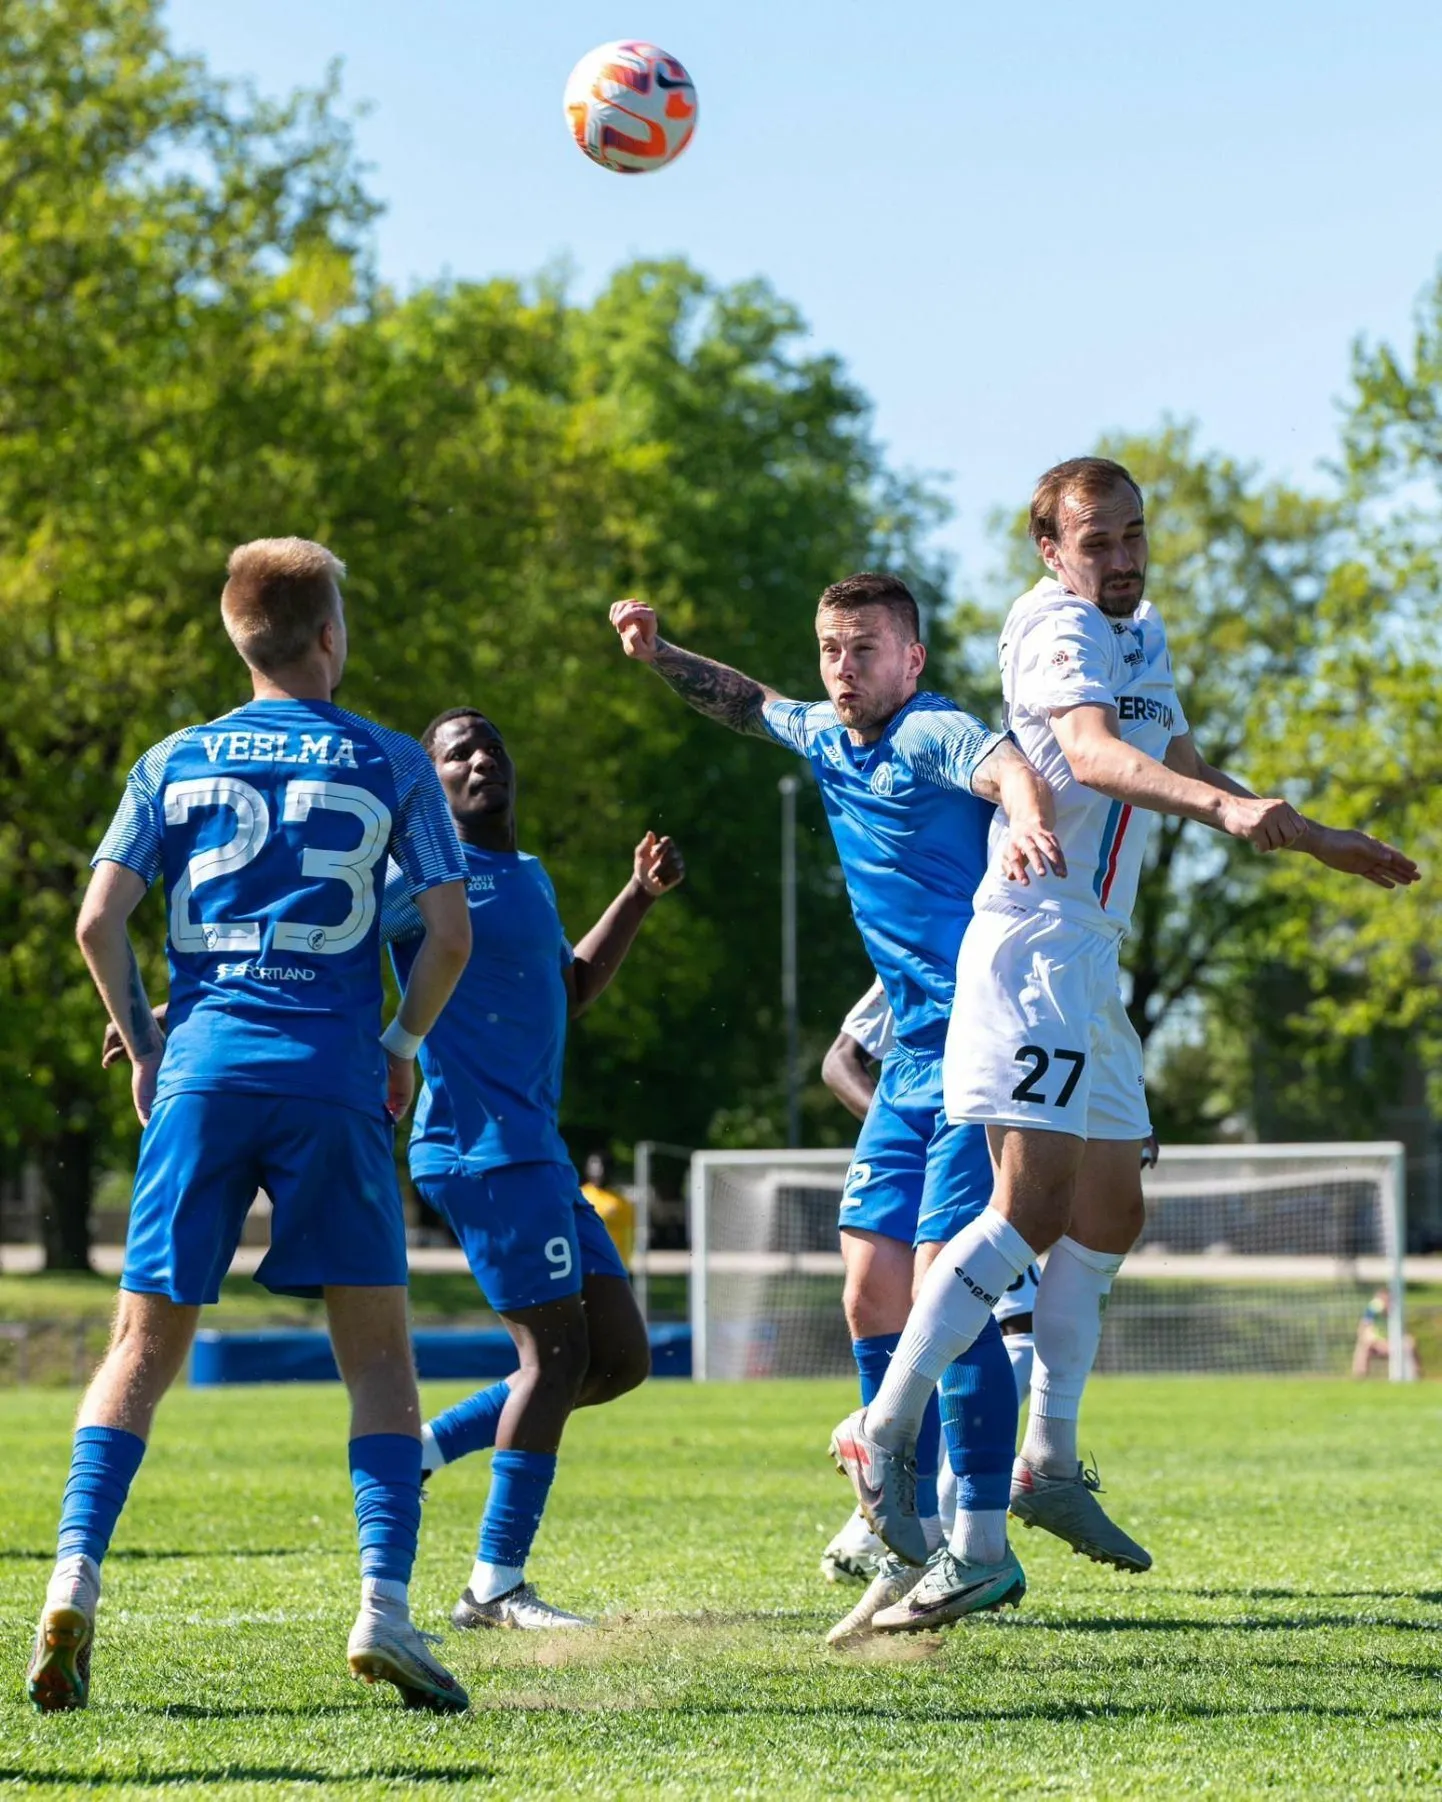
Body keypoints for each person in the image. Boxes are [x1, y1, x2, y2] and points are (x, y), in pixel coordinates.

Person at [832, 457, 1421, 1629]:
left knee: (1108, 1214)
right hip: (1033, 939)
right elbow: (1094, 753)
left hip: (1089, 957)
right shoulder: (1051, 624)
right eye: (1096, 540)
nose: (1121, 557)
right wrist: (1221, 814)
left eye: (1134, 535)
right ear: (1050, 551)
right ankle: (884, 1438)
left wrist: (1302, 832)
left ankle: (1045, 1462)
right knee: (1026, 1208)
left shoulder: (1135, 629)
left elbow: (1182, 764)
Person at [30, 539, 474, 1714]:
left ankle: (71, 1576)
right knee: (376, 1355)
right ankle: (383, 1602)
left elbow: (96, 920)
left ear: (239, 636)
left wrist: (146, 1036)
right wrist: (399, 1047)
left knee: (138, 1349)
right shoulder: (388, 762)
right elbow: (448, 933)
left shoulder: (172, 759)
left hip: (205, 1072)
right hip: (331, 1074)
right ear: (327, 633)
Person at [610, 572, 1064, 1640]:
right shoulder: (823, 734)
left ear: (910, 658)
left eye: (865, 648)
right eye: (830, 647)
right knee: (869, 1287)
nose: (844, 666)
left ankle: (976, 1540)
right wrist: (658, 653)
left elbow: (1002, 767)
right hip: (905, 1052)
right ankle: (891, 1510)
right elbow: (745, 699)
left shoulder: (931, 731)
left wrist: (1032, 823)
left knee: (948, 1291)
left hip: (974, 1046)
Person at [385, 708, 682, 1629]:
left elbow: (572, 990)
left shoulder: (525, 875)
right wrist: (179, 1006)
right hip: (479, 1150)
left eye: (490, 745)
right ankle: (495, 1587)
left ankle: (425, 1451)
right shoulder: (415, 882)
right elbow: (317, 942)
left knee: (619, 1358)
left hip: (534, 1152)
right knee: (552, 1359)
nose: (479, 759)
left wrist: (634, 895)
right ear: (429, 786)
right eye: (455, 753)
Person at [818, 975, 1041, 1589]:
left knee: (1012, 1323)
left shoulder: (1015, 937)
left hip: (981, 1127)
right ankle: (902, 1526)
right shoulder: (911, 945)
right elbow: (841, 1059)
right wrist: (913, 1136)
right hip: (921, 1125)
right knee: (876, 1299)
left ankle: (964, 1532)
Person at [581, 1151, 636, 1271]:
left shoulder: (620, 1202)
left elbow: (630, 1234)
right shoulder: (579, 1197)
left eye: (601, 1168)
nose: (597, 1173)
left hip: (614, 1266)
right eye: (593, 1169)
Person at [1352, 1288, 1421, 1379]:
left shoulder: (1396, 1312)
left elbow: (1403, 1331)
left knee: (1410, 1343)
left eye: (1387, 1299)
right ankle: (1360, 1376)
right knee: (1364, 1344)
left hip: (1394, 1343)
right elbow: (1364, 1326)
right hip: (1378, 1343)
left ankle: (1416, 1374)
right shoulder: (1373, 1311)